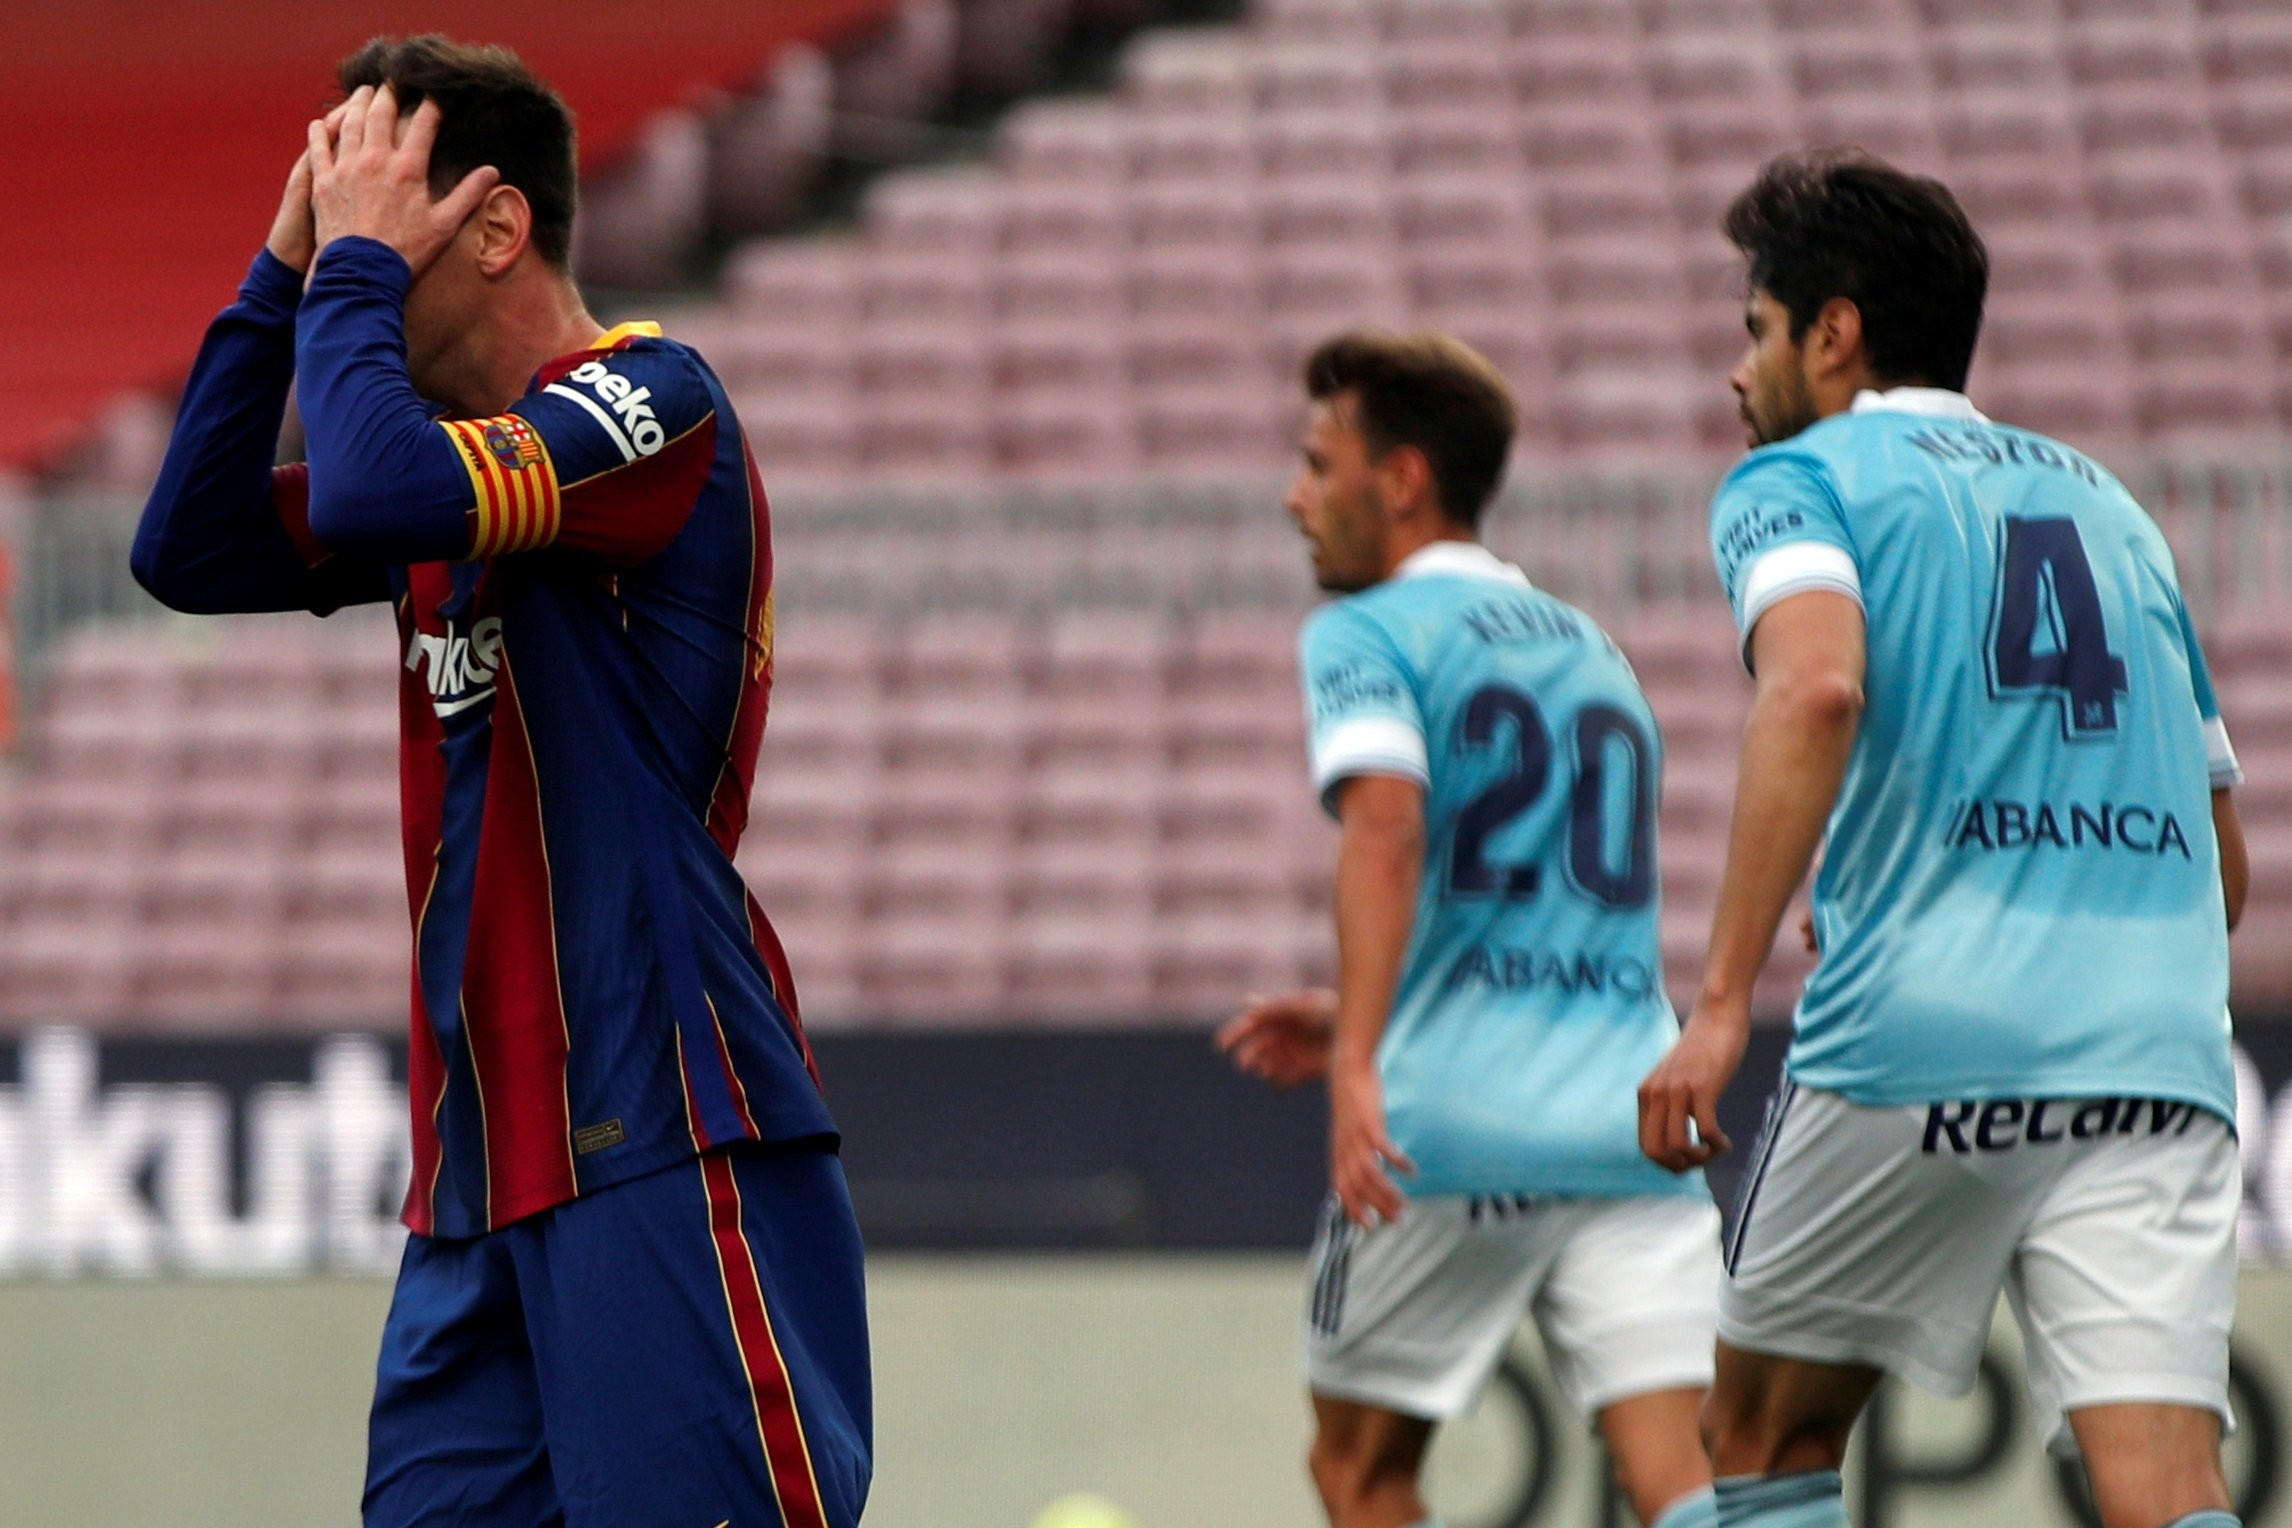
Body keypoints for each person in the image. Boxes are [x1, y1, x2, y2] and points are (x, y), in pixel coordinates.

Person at [130, 38, 869, 1528]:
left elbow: (372, 484)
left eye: (375, 200)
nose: (345, 243)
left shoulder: (654, 401)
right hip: (473, 1187)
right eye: (332, 206)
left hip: (658, 1126)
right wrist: (284, 271)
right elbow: (186, 548)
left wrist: (346, 278)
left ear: (493, 226)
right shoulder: (435, 473)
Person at [1636, 149, 2249, 1528]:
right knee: (2166, 1489)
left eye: (1756, 329)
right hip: (2157, 1051)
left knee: (1761, 1432)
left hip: (1922, 1032)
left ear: (1833, 332)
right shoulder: (2118, 514)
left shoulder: (1800, 478)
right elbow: (2223, 867)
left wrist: (1720, 1002)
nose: (1739, 372)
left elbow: (1817, 686)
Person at [1219, 331, 1723, 1528]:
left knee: (1360, 1471)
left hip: (1446, 1126)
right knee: (1685, 1482)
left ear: (1400, 480)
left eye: (1319, 463)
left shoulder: (1370, 631)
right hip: (1628, 1124)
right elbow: (1553, 913)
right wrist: (1363, 1006)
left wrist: (1359, 1061)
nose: (1296, 496)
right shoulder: (1592, 649)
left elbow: (1386, 827)